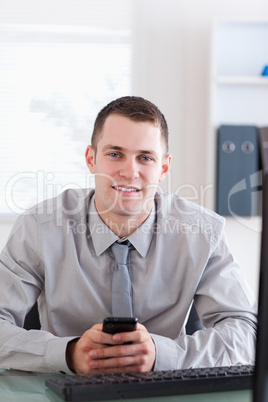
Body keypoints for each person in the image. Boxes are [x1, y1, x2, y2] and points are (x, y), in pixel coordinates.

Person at [0, 96, 257, 375]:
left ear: (164, 167)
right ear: (91, 158)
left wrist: (163, 355)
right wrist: (68, 353)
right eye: (115, 154)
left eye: (145, 158)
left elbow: (247, 334)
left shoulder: (203, 233)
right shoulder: (39, 228)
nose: (129, 172)